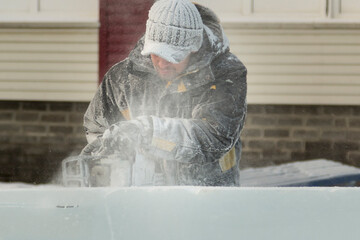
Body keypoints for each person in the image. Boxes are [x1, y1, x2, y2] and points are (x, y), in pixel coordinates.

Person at [82, 0, 247, 186]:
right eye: (156, 54)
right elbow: (97, 127)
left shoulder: (225, 74)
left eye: (173, 56)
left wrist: (147, 132)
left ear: (194, 47)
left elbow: (215, 136)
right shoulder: (123, 78)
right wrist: (114, 157)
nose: (162, 63)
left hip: (208, 192)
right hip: (143, 198)